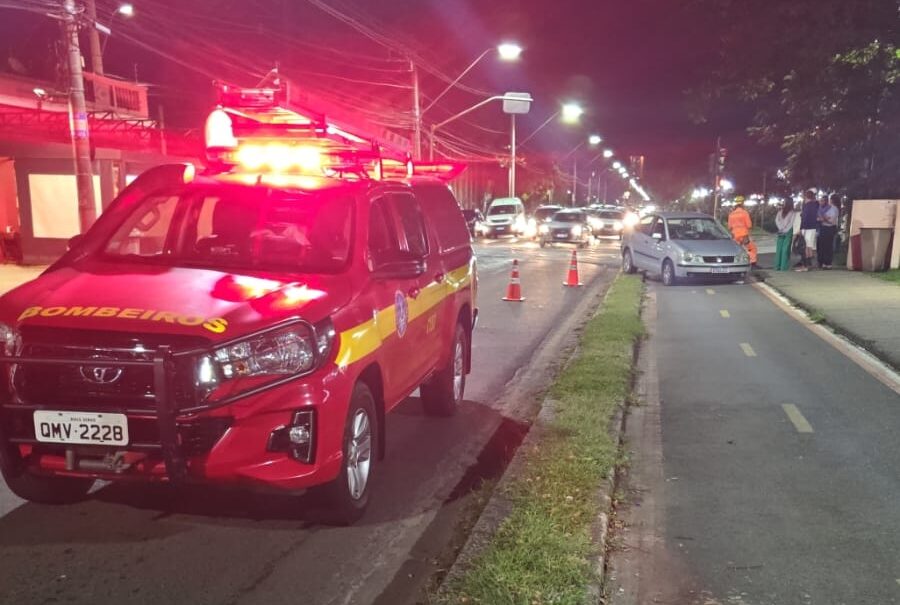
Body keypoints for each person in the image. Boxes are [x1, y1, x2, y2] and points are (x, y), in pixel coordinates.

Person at [727, 196, 758, 266]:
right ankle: (752, 262)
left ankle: (737, 263)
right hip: (744, 235)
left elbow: (729, 227)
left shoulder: (731, 214)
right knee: (752, 248)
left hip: (735, 236)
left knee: (738, 249)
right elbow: (749, 225)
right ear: (743, 203)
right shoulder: (744, 213)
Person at [796, 189, 819, 271]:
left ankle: (805, 265)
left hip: (806, 228)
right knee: (810, 246)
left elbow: (804, 218)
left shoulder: (806, 205)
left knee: (805, 246)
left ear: (806, 196)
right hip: (813, 227)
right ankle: (809, 265)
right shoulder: (815, 205)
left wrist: (801, 228)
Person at [816, 193, 839, 269]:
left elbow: (830, 220)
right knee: (821, 246)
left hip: (829, 229)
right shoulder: (823, 208)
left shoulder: (834, 208)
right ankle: (822, 262)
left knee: (828, 246)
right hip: (822, 228)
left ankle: (827, 263)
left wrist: (823, 218)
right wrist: (824, 218)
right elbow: (820, 218)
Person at [774, 198, 796, 271]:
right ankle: (784, 267)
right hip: (788, 231)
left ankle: (777, 266)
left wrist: (781, 228)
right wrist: (785, 229)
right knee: (785, 249)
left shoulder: (780, 211)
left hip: (780, 231)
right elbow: (791, 223)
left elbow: (777, 220)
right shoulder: (792, 213)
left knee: (779, 248)